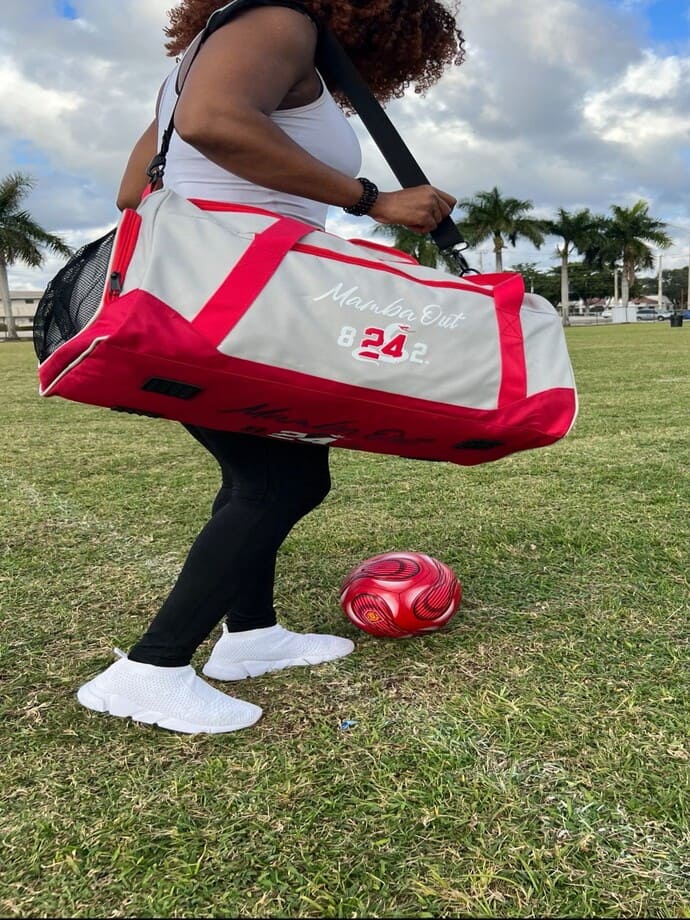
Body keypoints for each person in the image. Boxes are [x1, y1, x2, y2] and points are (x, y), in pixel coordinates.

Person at [77, 0, 464, 734]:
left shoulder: (214, 47)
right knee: (281, 480)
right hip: (232, 304)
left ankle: (250, 635)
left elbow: (134, 192)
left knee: (262, 475)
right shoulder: (281, 18)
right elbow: (212, 123)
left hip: (214, 298)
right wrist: (372, 200)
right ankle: (150, 670)